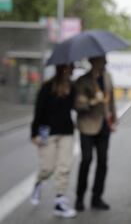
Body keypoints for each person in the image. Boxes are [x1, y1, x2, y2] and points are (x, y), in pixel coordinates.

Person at [30, 64, 76, 218]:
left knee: (64, 166)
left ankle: (59, 202)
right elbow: (38, 111)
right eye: (70, 68)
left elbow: (74, 107)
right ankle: (39, 182)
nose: (72, 70)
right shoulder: (47, 87)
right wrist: (34, 133)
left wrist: (71, 95)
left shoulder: (72, 87)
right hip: (46, 132)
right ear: (62, 69)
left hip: (66, 132)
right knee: (47, 168)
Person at [74, 55, 117, 211]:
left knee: (103, 162)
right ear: (93, 61)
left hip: (104, 125)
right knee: (86, 160)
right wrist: (92, 100)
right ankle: (79, 198)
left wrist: (114, 120)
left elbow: (111, 100)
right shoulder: (82, 80)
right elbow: (78, 104)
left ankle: (96, 198)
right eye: (102, 59)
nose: (106, 62)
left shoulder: (108, 77)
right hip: (87, 125)